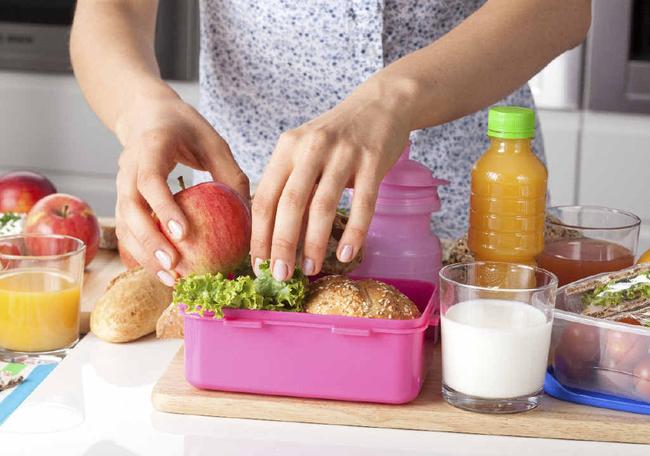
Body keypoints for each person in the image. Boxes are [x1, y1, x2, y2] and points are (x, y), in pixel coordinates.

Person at [70, 0, 591, 286]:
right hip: (258, 232)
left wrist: (393, 99)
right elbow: (110, 9)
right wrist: (143, 110)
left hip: (479, 224)